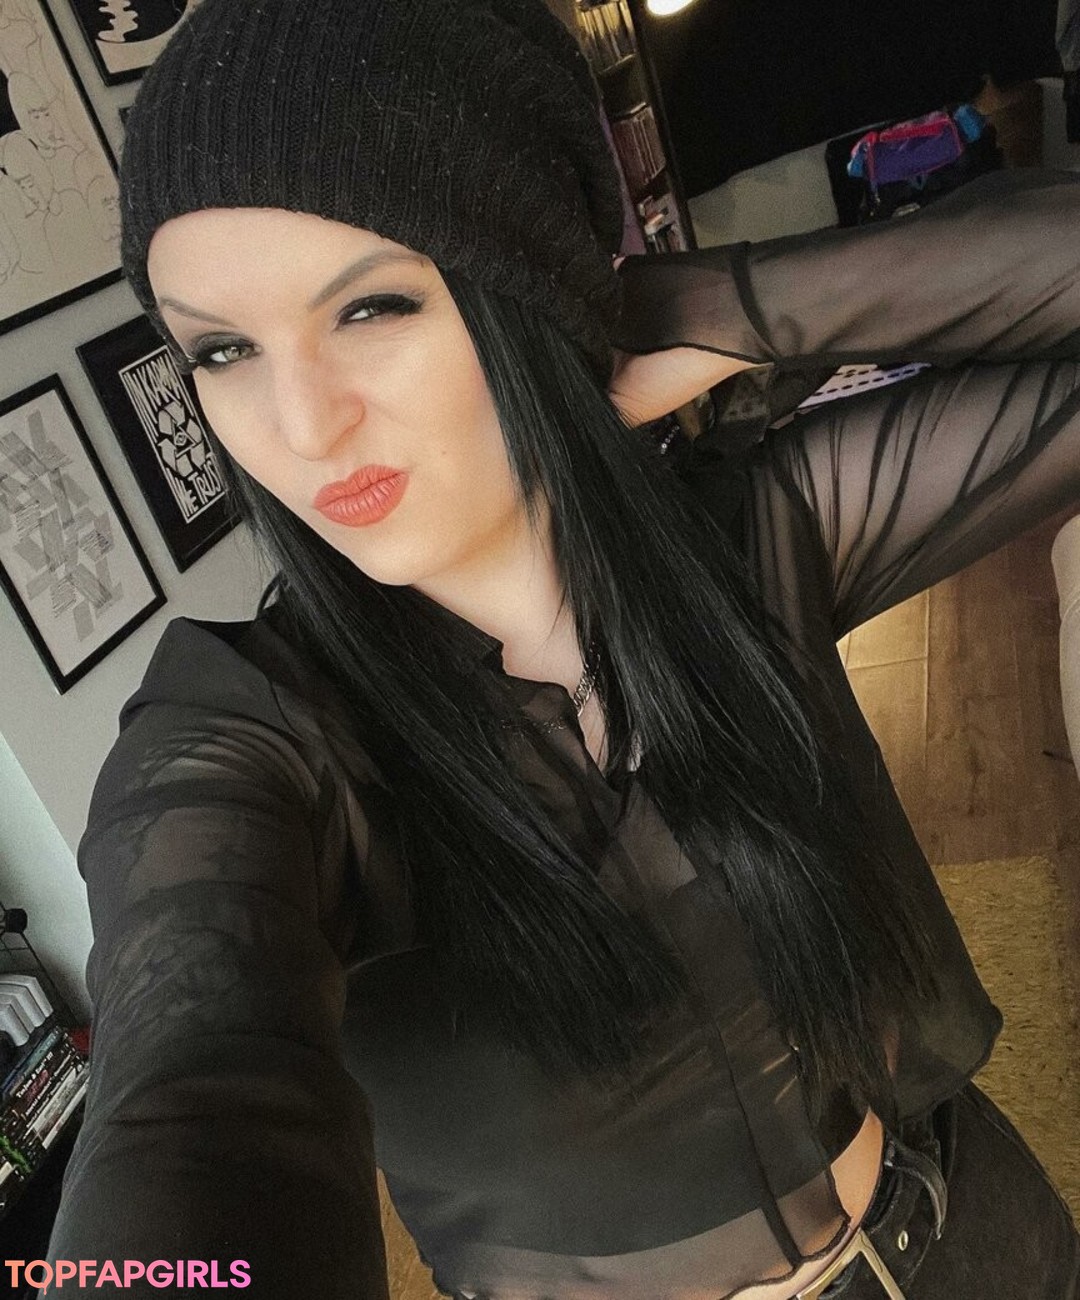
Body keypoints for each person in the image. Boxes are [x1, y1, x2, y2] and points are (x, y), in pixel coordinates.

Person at [45, 1, 1080, 1297]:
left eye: (372, 306)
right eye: (223, 347)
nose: (302, 427)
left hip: (985, 1242)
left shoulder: (738, 543)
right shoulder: (251, 732)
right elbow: (190, 1102)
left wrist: (675, 308)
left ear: (514, 288)